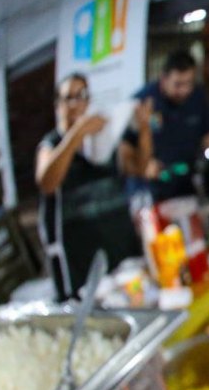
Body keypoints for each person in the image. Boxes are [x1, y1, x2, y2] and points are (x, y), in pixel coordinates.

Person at [36, 72, 143, 300]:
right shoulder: (51, 145)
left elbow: (138, 167)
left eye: (81, 96)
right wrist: (77, 133)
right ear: (58, 105)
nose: (75, 103)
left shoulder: (103, 138)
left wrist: (143, 127)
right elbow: (47, 182)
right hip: (79, 267)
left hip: (118, 255)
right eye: (68, 97)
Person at [120, 49, 209, 202]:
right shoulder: (141, 103)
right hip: (150, 191)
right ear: (163, 79)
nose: (184, 90)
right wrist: (144, 165)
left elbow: (208, 134)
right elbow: (125, 153)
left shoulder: (198, 96)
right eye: (178, 84)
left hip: (187, 185)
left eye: (189, 83)